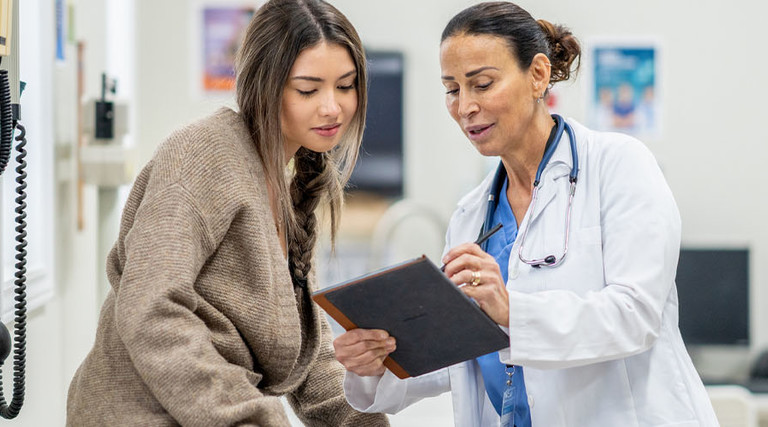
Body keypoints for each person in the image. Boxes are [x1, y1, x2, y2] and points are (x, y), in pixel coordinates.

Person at [334, 2, 719, 426]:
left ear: (537, 75)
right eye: (452, 89)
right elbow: (463, 357)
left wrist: (511, 310)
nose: (465, 107)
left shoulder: (620, 166)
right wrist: (376, 361)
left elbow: (636, 316)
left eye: (482, 84)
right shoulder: (470, 216)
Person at [66, 0, 388, 425]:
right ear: (264, 87)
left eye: (345, 86)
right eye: (308, 90)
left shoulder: (285, 183)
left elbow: (307, 358)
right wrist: (252, 417)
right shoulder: (203, 155)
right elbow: (150, 308)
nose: (332, 107)